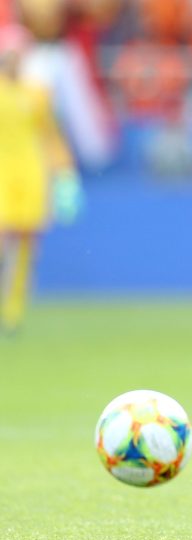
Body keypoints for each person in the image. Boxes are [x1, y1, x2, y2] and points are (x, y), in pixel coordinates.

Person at [0, 23, 83, 335]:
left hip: (32, 174)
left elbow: (51, 136)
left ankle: (13, 313)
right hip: (2, 175)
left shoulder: (37, 94)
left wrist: (65, 173)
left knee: (26, 245)